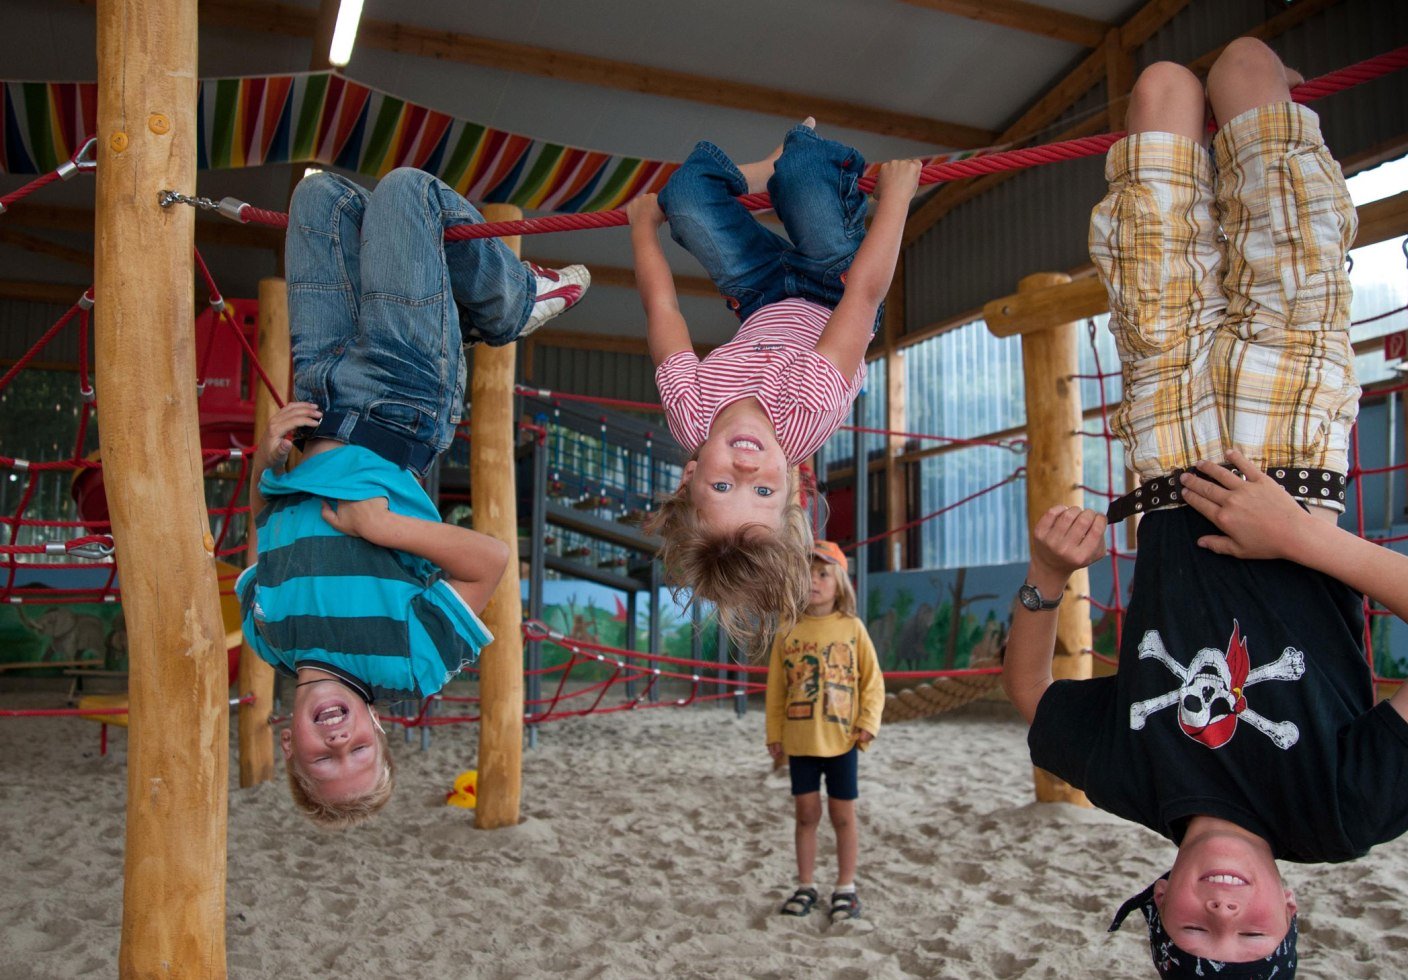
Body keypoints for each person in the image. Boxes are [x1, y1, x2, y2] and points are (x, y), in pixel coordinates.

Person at [1001, 39, 1408, 977]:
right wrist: (1302, 540)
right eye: (1252, 935)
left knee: (1159, 91)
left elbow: (1032, 698)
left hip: (1164, 440)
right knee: (1243, 73)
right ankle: (1274, 108)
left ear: (1157, 900)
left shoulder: (1134, 782)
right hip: (1295, 448)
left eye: (1195, 932)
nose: (1223, 911)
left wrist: (1044, 581)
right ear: (1290, 906)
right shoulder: (1342, 813)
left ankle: (1238, 113)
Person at [237, 167, 590, 828]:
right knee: (406, 193)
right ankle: (512, 300)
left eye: (324, 760)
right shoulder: (411, 664)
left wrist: (269, 462)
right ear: (376, 724)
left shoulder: (267, 634)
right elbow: (488, 560)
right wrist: (384, 530)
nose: (340, 744)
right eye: (362, 752)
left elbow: (272, 535)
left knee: (321, 199)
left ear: (290, 743)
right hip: (403, 402)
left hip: (319, 390)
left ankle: (453, 292)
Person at [627, 119, 921, 649]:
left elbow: (662, 309)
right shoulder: (805, 414)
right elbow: (864, 297)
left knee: (684, 200)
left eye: (722, 487)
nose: (745, 469)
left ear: (689, 477)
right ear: (790, 485)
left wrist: (641, 229)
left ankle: (762, 171)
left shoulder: (690, 414)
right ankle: (790, 161)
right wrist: (898, 199)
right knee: (805, 177)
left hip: (759, 292)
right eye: (762, 491)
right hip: (837, 286)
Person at [764, 540, 884, 921]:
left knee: (843, 816)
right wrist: (774, 734)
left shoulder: (852, 627)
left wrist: (868, 721)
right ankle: (805, 885)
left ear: (840, 583)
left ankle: (846, 888)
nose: (813, 581)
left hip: (842, 741)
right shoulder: (788, 631)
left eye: (822, 574)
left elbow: (873, 681)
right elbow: (776, 690)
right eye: (806, 574)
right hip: (799, 742)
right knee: (806, 814)